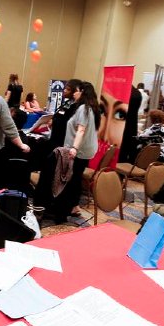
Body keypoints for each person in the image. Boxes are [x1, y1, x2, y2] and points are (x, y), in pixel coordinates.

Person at [58, 81, 101, 222]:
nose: (74, 93)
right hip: (86, 150)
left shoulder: (84, 108)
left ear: (82, 92)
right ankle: (74, 206)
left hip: (79, 150)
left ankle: (65, 209)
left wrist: (74, 148)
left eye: (76, 91)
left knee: (71, 179)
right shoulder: (92, 108)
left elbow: (81, 130)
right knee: (76, 178)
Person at [49, 79, 82, 149]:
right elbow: (59, 113)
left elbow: (67, 122)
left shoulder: (77, 107)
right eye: (65, 88)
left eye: (68, 89)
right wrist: (53, 119)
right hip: (55, 137)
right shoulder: (67, 102)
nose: (65, 90)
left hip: (63, 140)